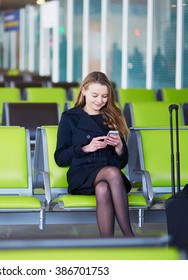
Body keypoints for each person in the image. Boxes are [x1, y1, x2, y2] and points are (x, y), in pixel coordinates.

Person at [54, 71, 134, 237]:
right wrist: (85, 148)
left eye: (104, 96)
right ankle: (129, 236)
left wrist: (119, 147)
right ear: (83, 91)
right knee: (112, 172)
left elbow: (123, 162)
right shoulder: (70, 117)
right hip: (82, 174)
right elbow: (60, 158)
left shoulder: (113, 116)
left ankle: (107, 246)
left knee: (103, 189)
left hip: (108, 174)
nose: (100, 101)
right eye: (95, 95)